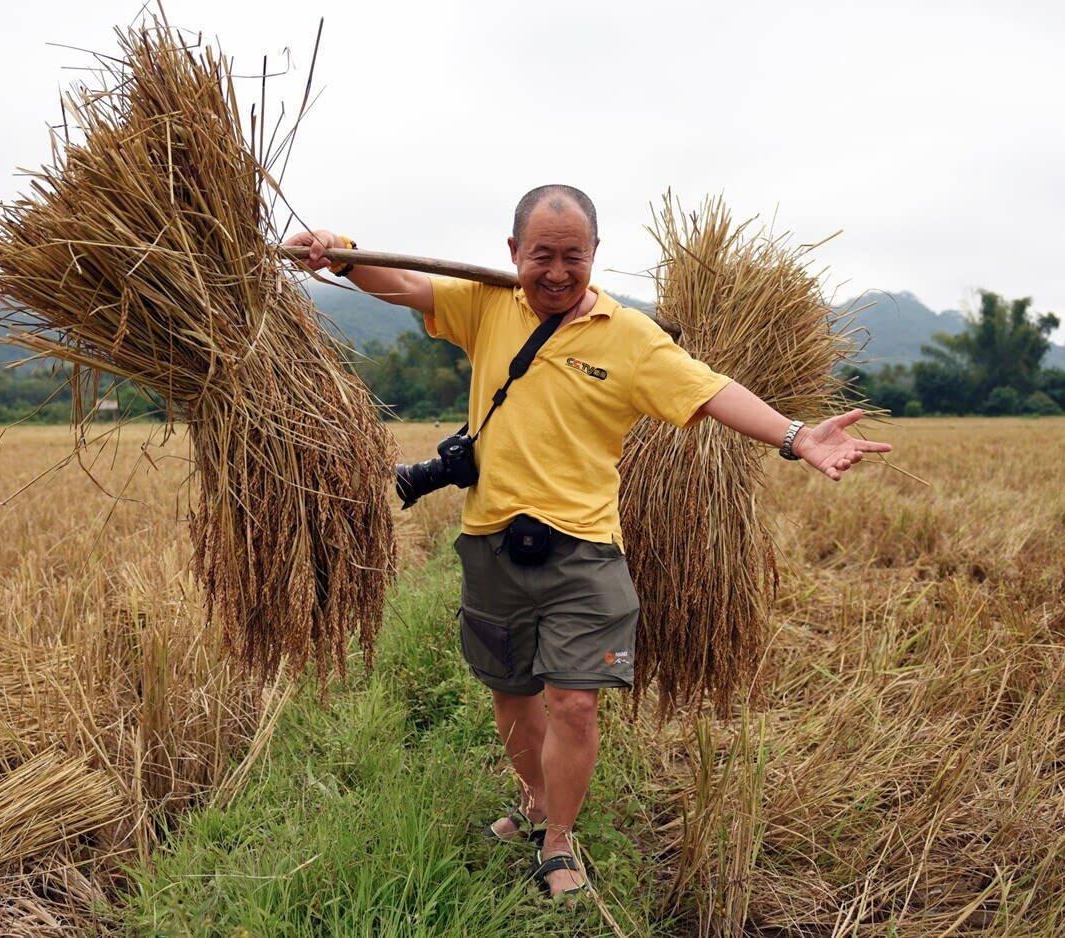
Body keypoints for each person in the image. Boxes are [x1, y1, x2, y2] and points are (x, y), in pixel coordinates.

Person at [285, 184, 891, 900]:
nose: (556, 271)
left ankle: (560, 838)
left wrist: (796, 436)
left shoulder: (629, 337)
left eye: (573, 255)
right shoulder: (488, 304)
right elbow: (410, 284)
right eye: (541, 255)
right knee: (511, 694)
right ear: (515, 253)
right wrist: (341, 255)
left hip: (585, 551)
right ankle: (536, 800)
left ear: (595, 255)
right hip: (491, 542)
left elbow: (710, 389)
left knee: (573, 702)